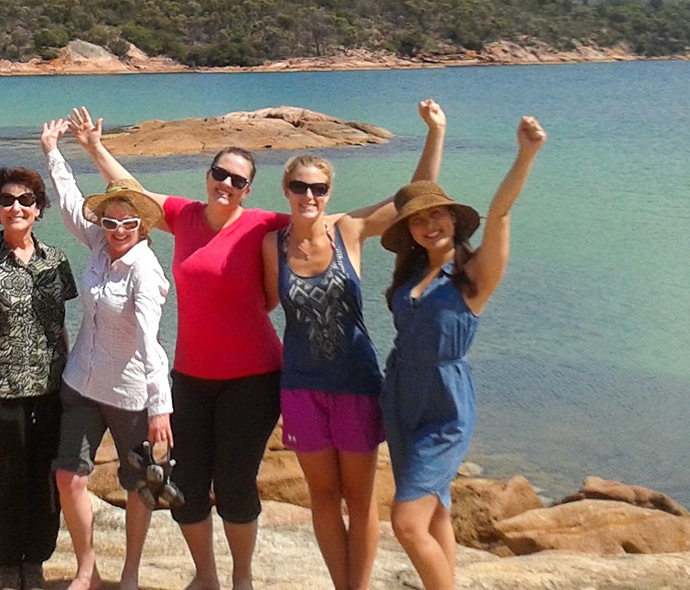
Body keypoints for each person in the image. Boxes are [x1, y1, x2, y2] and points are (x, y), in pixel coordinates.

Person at [66, 106, 283, 590]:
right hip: (190, 377)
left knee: (234, 485)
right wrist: (94, 148)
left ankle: (242, 579)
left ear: (249, 189)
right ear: (208, 176)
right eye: (219, 173)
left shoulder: (265, 223)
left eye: (238, 180)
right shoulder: (184, 216)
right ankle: (205, 577)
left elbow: (329, 224)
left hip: (254, 377)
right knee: (186, 485)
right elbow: (134, 194)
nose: (226, 183)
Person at [260, 100, 447, 590]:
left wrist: (435, 134)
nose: (308, 195)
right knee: (322, 499)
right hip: (301, 387)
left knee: (360, 499)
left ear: (328, 193)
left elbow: (415, 200)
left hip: (357, 384)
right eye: (299, 187)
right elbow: (259, 302)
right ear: (285, 190)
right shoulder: (271, 244)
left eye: (318, 188)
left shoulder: (349, 229)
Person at [381, 115, 547, 590]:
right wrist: (437, 133)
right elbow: (420, 190)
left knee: (407, 524)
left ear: (454, 219)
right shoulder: (411, 272)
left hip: (444, 406)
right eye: (418, 220)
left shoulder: (473, 278)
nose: (428, 224)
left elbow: (501, 215)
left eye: (437, 215)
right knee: (436, 516)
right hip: (400, 398)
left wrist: (526, 154)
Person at [40, 118, 173, 590]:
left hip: (130, 392)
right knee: (69, 478)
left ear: (141, 225)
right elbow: (72, 205)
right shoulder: (98, 240)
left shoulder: (147, 272)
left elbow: (148, 340)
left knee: (139, 482)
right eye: (111, 221)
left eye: (128, 222)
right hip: (82, 383)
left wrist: (160, 406)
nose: (117, 229)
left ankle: (131, 573)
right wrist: (54, 151)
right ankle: (87, 570)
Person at [0, 164, 79, 590]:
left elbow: (60, 326)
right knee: (7, 478)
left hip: (50, 389)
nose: (16, 207)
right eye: (7, 200)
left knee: (45, 476)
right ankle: (8, 563)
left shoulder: (57, 262)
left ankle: (36, 560)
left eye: (26, 200)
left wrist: (72, 382)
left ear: (40, 209)